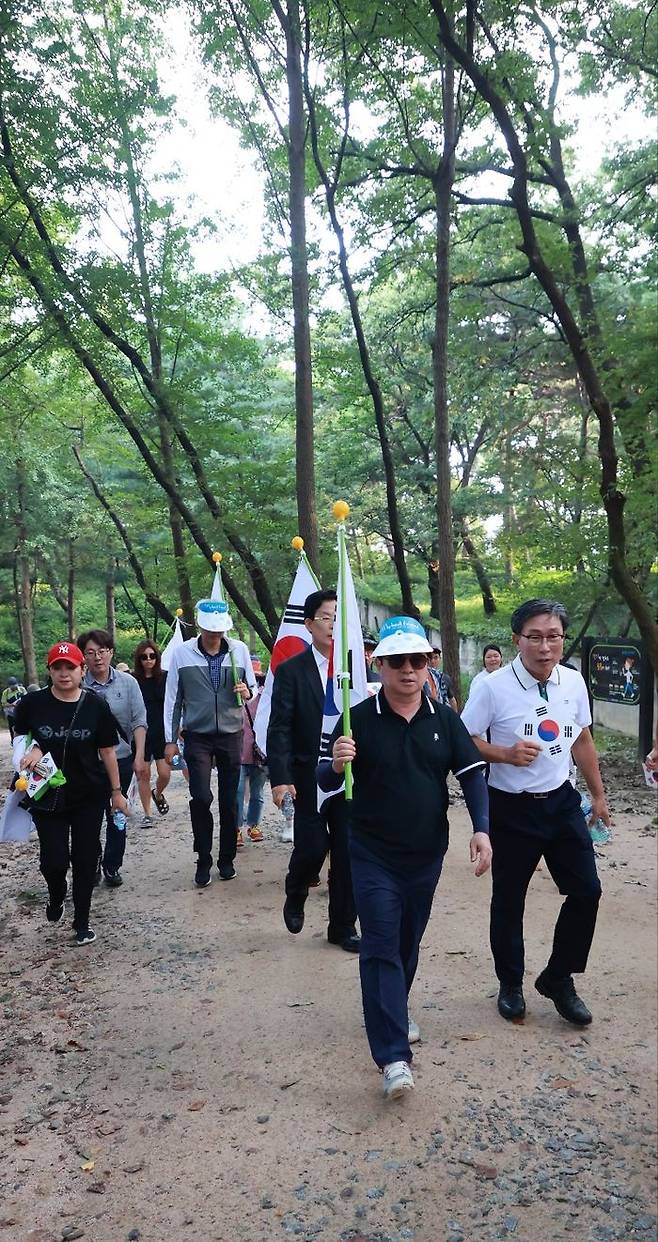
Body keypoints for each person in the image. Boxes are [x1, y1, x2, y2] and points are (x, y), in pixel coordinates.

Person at [318, 615, 491, 1100]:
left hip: (426, 853)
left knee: (407, 943)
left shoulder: (444, 719)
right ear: (380, 665)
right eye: (397, 661)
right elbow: (325, 782)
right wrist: (336, 763)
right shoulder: (357, 719)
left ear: (429, 664)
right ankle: (393, 1055)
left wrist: (481, 829)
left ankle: (393, 1005)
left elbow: (472, 774)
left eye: (418, 660)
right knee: (379, 945)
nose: (409, 670)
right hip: (371, 852)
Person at [461, 599, 610, 1027]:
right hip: (510, 808)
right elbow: (463, 739)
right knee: (509, 900)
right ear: (517, 640)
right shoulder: (492, 687)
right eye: (535, 637)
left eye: (554, 636)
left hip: (561, 801)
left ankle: (558, 977)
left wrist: (597, 796)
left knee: (587, 891)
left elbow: (581, 739)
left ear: (563, 639)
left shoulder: (573, 682)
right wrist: (503, 754)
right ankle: (510, 984)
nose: (545, 646)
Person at [12, 641, 127, 945]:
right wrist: (33, 749)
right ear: (49, 670)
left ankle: (82, 921)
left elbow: (107, 751)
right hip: (46, 794)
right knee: (54, 860)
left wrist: (116, 792)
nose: (64, 674)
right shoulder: (32, 704)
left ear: (82, 670)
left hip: (89, 793)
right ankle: (56, 893)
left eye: (70, 667)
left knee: (86, 858)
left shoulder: (95, 705)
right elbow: (21, 739)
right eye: (57, 667)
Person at [267, 589, 360, 953]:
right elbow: (279, 728)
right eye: (326, 617)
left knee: (347, 851)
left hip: (348, 777)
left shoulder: (355, 669)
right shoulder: (292, 671)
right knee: (312, 847)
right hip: (307, 775)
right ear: (308, 624)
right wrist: (281, 778)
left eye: (339, 617)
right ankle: (297, 889)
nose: (333, 624)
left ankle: (342, 925)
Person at [163, 598, 256, 887]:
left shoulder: (238, 650)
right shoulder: (182, 654)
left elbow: (252, 689)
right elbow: (172, 699)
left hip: (231, 733)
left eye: (219, 631)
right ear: (200, 626)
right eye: (209, 630)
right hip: (197, 735)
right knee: (201, 797)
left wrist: (247, 691)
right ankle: (203, 857)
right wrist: (170, 739)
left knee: (230, 800)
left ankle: (226, 858)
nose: (215, 636)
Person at [79, 629, 148, 888]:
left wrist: (139, 756)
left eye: (102, 651)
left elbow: (139, 720)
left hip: (121, 758)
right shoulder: (78, 684)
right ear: (83, 656)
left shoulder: (128, 683)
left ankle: (112, 865)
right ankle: (93, 860)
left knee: (116, 815)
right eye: (90, 652)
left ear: (111, 652)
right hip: (87, 762)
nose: (97, 657)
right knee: (90, 815)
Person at [132, 639, 170, 828]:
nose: (148, 660)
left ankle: (158, 793)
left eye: (152, 656)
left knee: (165, 773)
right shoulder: (133, 680)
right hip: (140, 731)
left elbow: (174, 703)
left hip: (161, 730)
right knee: (143, 773)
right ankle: (147, 814)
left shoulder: (166, 677)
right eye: (144, 657)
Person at [236, 673, 267, 847]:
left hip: (258, 754)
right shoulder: (232, 702)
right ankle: (236, 827)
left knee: (257, 792)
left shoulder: (265, 701)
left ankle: (254, 825)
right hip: (238, 754)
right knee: (237, 792)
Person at [2, 676, 27, 741]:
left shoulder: (22, 689)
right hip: (11, 713)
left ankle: (23, 739)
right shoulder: (6, 692)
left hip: (22, 712)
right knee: (12, 727)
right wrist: (11, 705)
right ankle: (13, 740)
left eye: (14, 685)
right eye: (11, 686)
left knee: (23, 725)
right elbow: (3, 704)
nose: (13, 687)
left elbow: (27, 699)